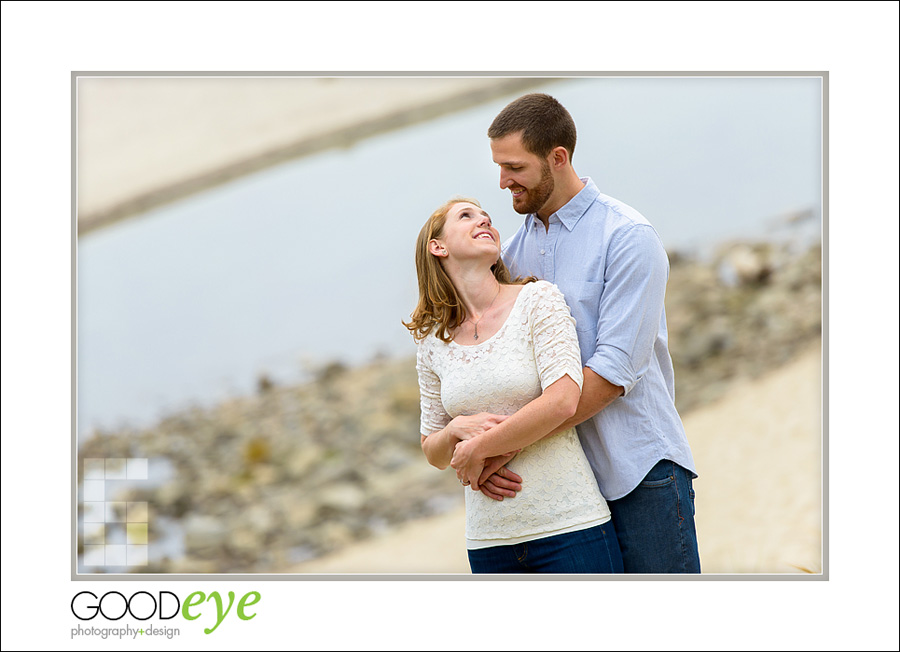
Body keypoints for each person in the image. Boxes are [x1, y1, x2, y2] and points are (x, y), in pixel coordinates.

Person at [474, 92, 701, 574]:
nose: (502, 182)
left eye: (513, 167)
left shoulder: (627, 237)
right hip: (566, 488)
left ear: (558, 158)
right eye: (498, 167)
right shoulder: (512, 255)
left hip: (641, 473)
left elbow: (613, 372)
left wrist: (506, 444)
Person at [404, 197, 624, 574]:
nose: (484, 218)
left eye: (486, 215)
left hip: (570, 527)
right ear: (437, 247)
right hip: (489, 543)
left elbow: (563, 400)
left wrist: (480, 448)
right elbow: (433, 450)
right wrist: (456, 431)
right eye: (466, 215)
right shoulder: (431, 341)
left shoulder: (538, 300)